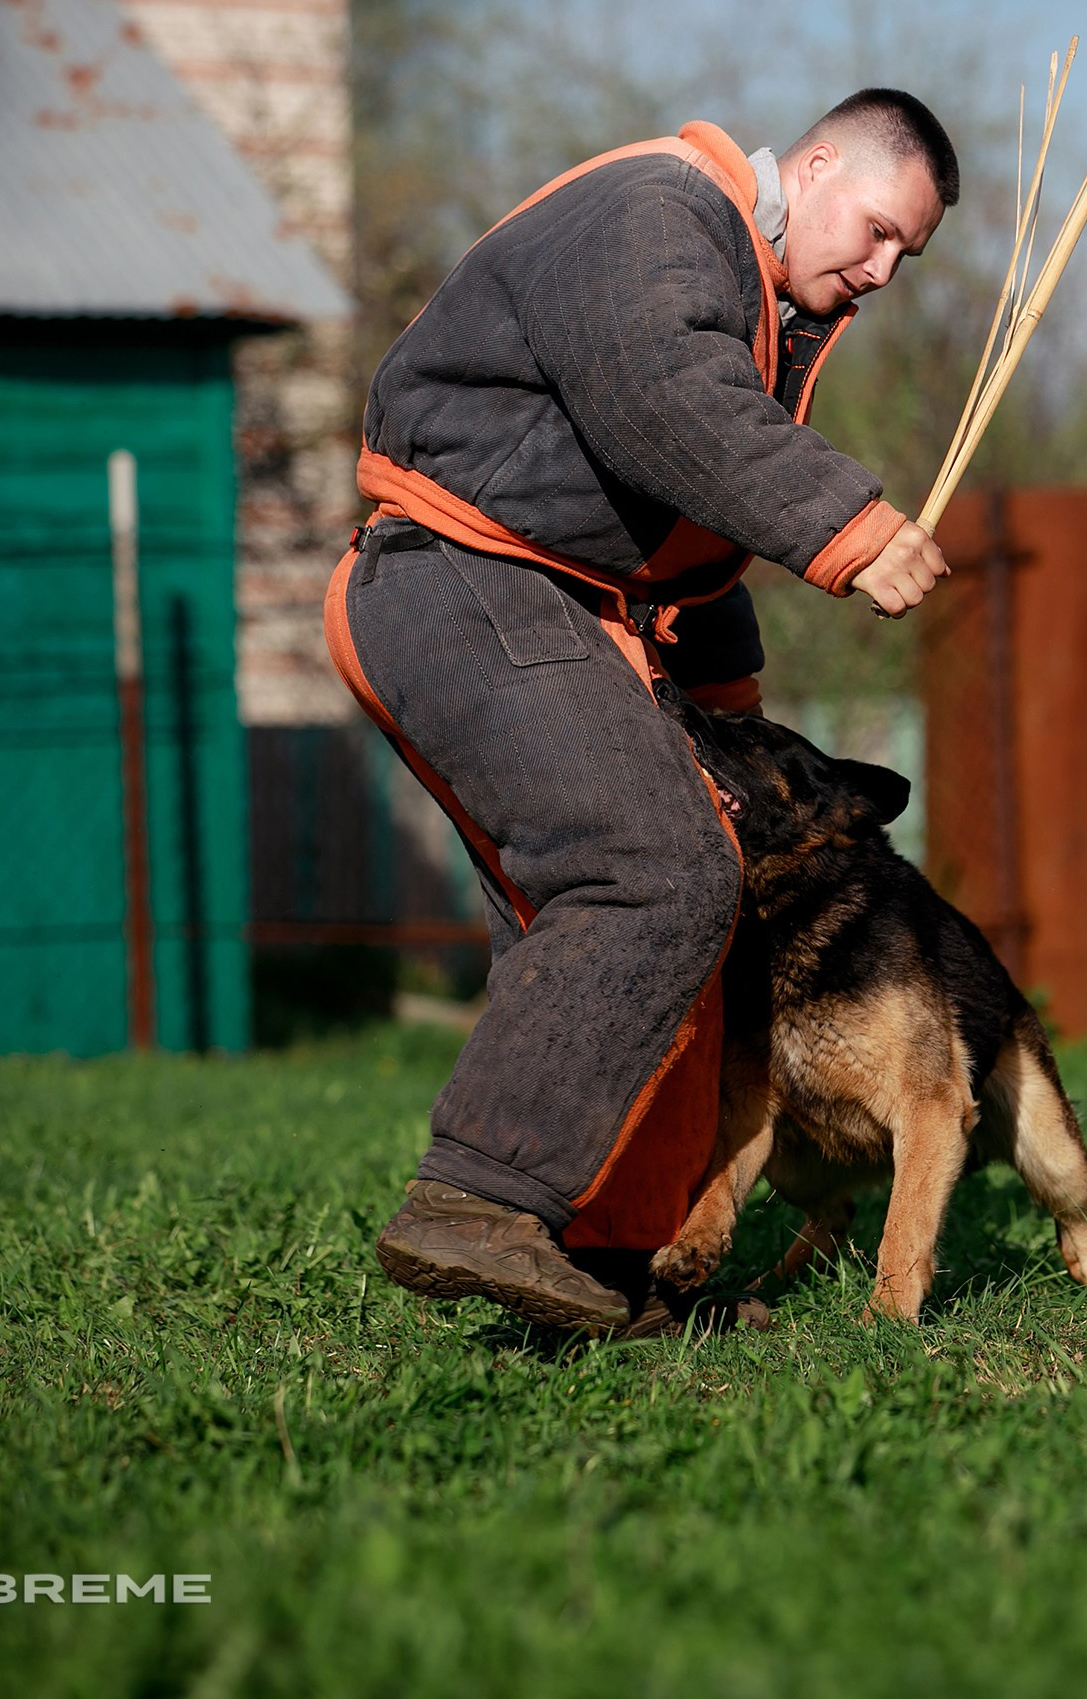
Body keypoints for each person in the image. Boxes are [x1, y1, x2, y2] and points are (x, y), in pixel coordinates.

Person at [324, 90, 959, 1336]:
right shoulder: (655, 212)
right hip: (461, 576)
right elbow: (666, 404)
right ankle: (475, 1201)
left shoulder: (755, 304)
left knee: (683, 883)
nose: (883, 270)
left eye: (907, 257)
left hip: (560, 604)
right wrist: (851, 525)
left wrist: (726, 712)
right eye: (878, 231)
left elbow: (690, 544)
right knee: (650, 868)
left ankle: (613, 1268)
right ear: (818, 164)